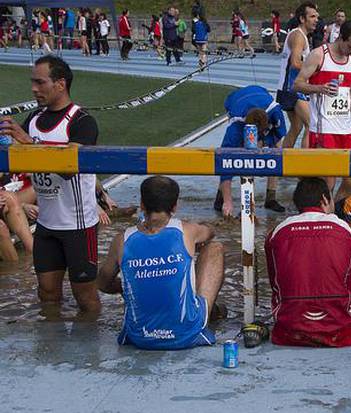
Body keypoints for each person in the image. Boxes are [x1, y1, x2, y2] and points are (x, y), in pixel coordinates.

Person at [0, 56, 102, 314]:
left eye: (40, 82)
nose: (34, 88)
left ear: (60, 84)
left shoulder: (82, 121)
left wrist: (30, 145)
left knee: (86, 298)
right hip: (47, 225)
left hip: (78, 225)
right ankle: (51, 351)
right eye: (32, 82)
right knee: (46, 294)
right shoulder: (34, 119)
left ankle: (90, 350)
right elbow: (17, 160)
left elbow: (68, 170)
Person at [96, 176, 226, 350]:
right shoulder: (187, 230)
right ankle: (205, 313)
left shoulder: (122, 240)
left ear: (142, 204)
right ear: (175, 206)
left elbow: (102, 284)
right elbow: (210, 232)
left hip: (139, 337)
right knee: (214, 248)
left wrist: (131, 284)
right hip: (185, 335)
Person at [265, 178, 351, 347]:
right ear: (325, 200)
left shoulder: (277, 231)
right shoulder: (348, 230)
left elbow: (275, 284)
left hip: (289, 330)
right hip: (337, 331)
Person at [293, 21, 351, 200]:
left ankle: (335, 212)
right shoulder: (319, 55)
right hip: (323, 129)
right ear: (340, 37)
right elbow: (297, 84)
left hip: (345, 129)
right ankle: (324, 215)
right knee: (328, 182)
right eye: (350, 46)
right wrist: (319, 88)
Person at [215, 85, 288, 215]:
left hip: (260, 91)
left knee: (277, 152)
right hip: (235, 99)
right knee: (243, 156)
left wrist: (265, 143)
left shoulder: (275, 111)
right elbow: (224, 161)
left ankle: (271, 197)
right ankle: (222, 197)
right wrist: (228, 200)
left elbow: (279, 136)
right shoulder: (235, 126)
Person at [277, 2, 318, 150]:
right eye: (312, 16)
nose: (316, 20)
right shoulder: (298, 36)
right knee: (311, 125)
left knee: (296, 127)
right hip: (292, 88)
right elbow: (295, 62)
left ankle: (278, 168)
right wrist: (316, 69)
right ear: (302, 18)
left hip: (288, 87)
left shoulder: (300, 36)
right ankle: (306, 167)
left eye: (317, 17)